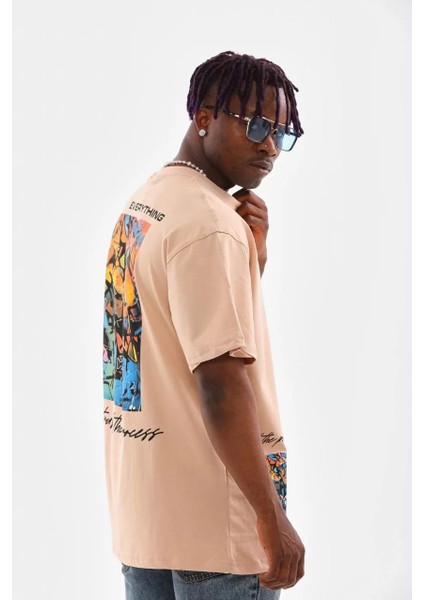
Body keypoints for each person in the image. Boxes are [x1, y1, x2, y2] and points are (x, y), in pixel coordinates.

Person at [103, 50, 306, 600]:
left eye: (282, 133)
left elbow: (164, 339)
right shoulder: (211, 225)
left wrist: (251, 264)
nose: (270, 146)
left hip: (148, 521)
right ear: (204, 118)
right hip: (218, 529)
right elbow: (220, 385)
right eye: (257, 125)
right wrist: (271, 516)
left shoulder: (147, 203)